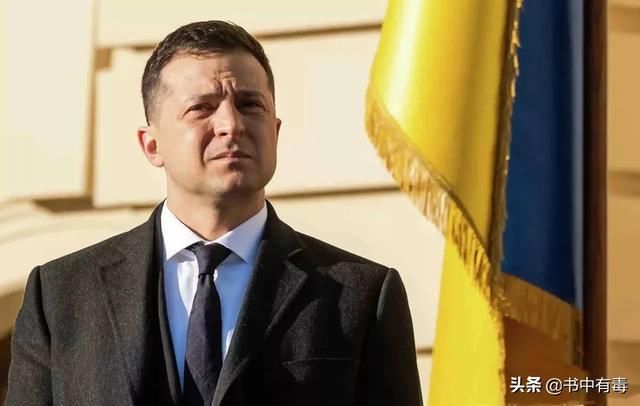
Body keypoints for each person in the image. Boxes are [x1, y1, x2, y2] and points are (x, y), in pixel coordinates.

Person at [5, 20, 422, 406]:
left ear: (275, 132)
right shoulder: (60, 296)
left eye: (250, 104)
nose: (231, 124)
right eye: (202, 108)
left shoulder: (361, 295)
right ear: (152, 145)